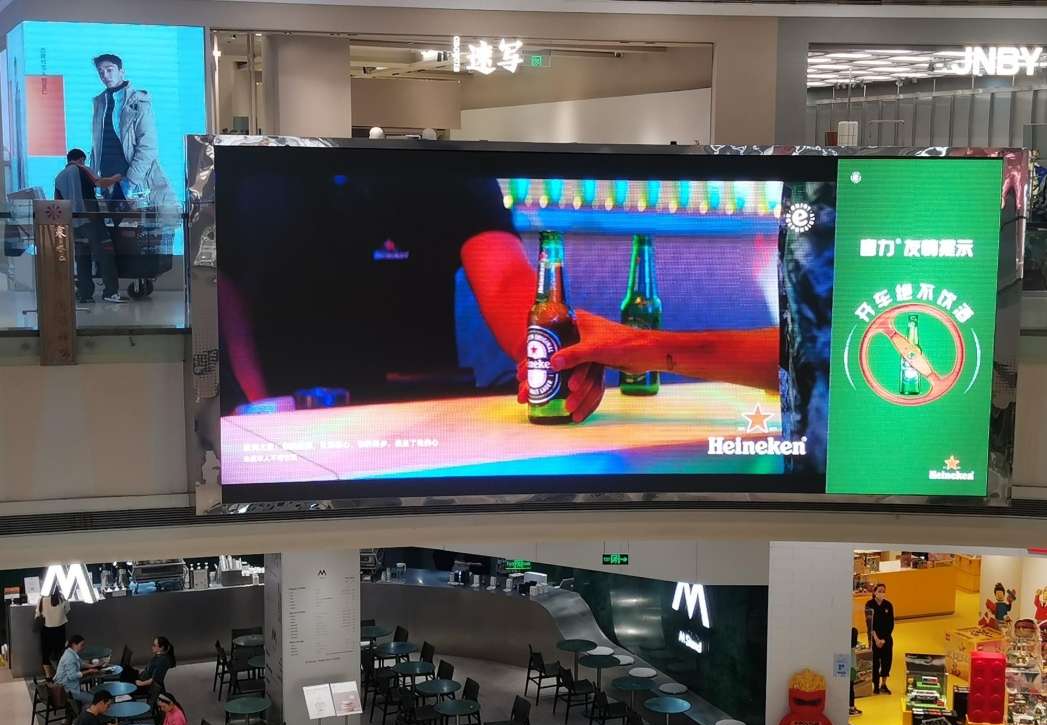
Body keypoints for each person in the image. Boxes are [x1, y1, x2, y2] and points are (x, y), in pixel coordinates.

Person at [218, 161, 779, 424]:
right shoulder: (250, 175)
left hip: (415, 409)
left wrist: (565, 349)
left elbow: (509, 282)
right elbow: (224, 286)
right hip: (274, 407)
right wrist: (256, 401)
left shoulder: (451, 172)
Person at [89, 53, 175, 209]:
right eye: (101, 72)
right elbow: (96, 148)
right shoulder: (100, 102)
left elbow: (148, 147)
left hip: (136, 185)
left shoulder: (139, 101)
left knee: (136, 224)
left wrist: (130, 183)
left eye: (109, 70)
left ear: (121, 71)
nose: (105, 75)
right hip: (107, 184)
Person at [54, 148, 125, 303]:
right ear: (81, 159)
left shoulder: (59, 177)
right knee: (106, 255)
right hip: (91, 220)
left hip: (74, 224)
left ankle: (85, 294)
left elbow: (58, 204)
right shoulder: (81, 168)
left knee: (82, 258)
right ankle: (110, 292)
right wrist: (115, 178)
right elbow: (99, 182)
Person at [865, 583, 895, 695]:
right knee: (875, 663)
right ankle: (876, 685)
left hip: (886, 639)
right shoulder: (869, 605)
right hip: (874, 638)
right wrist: (876, 639)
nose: (882, 593)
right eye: (879, 591)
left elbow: (891, 624)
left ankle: (884, 684)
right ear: (874, 592)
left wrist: (884, 639)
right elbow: (869, 624)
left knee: (886, 662)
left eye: (883, 591)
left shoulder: (888, 605)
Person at [55, 634, 100, 704]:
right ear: (74, 645)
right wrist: (89, 671)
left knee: (92, 695)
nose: (83, 647)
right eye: (82, 645)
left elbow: (81, 663)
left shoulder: (70, 653)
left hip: (70, 687)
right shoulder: (69, 657)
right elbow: (72, 676)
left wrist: (93, 666)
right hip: (68, 691)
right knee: (96, 700)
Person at [35, 586, 70, 674]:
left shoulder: (42, 599)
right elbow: (67, 610)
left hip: (46, 629)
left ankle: (48, 675)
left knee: (46, 653)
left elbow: (38, 614)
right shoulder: (63, 598)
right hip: (60, 629)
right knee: (60, 652)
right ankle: (60, 673)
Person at [849, 626, 862, 717]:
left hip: (843, 666)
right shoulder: (853, 631)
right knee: (851, 687)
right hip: (851, 667)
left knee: (849, 687)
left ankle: (850, 707)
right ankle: (851, 707)